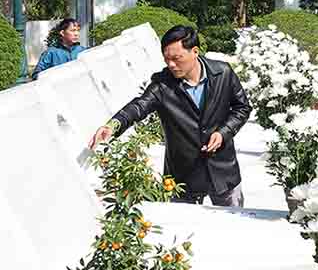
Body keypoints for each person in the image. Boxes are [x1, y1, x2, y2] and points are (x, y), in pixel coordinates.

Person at [87, 26, 250, 207]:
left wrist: (223, 132)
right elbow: (140, 106)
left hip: (223, 171)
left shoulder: (223, 73)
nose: (171, 64)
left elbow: (242, 108)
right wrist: (113, 125)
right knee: (183, 231)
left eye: (176, 58)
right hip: (182, 177)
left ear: (195, 51)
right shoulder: (163, 85)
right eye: (167, 59)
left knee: (233, 227)